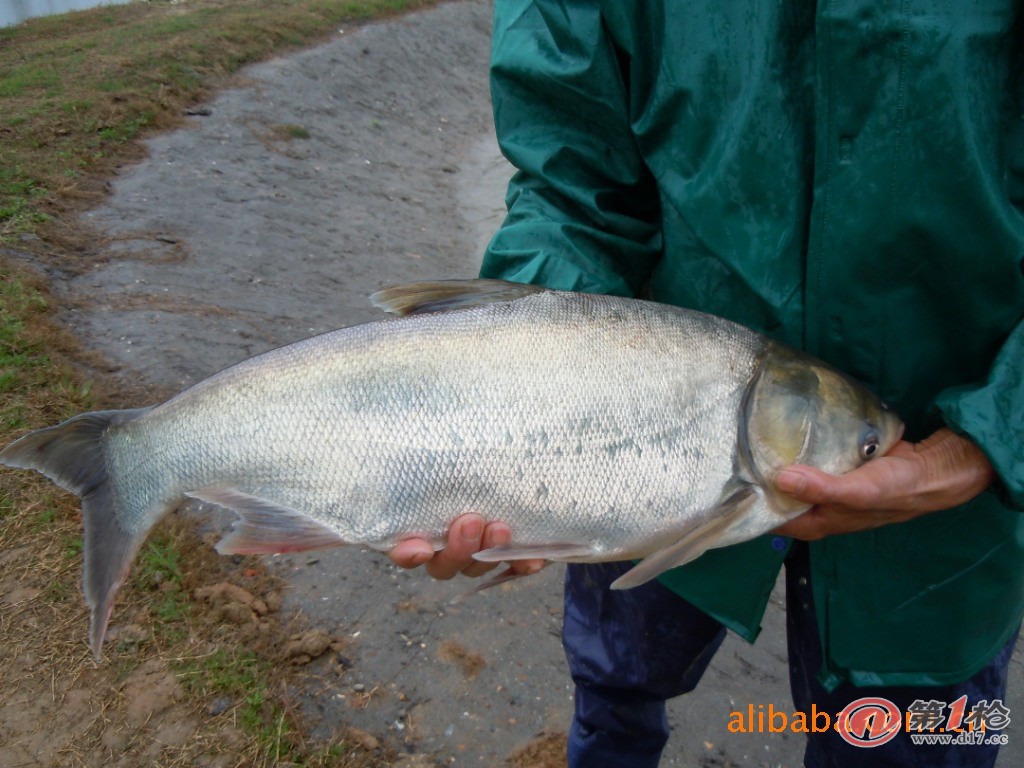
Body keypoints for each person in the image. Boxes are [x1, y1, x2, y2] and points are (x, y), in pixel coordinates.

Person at [390, 2, 1024, 766]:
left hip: (956, 517)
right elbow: (570, 179)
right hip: (642, 442)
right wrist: (516, 415)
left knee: (911, 743)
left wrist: (993, 438)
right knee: (613, 688)